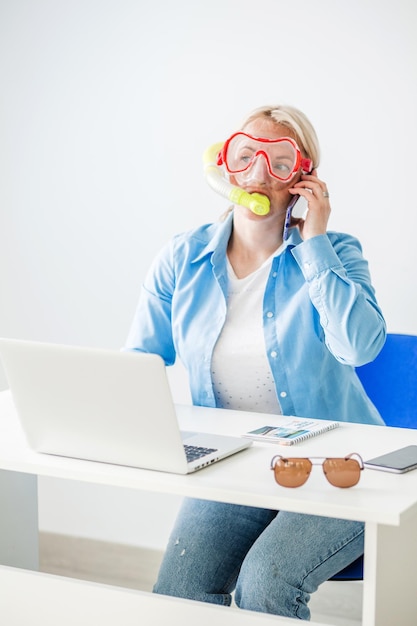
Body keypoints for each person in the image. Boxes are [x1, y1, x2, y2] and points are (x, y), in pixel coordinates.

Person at [124, 104, 386, 620]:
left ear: (302, 178)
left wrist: (314, 244)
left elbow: (359, 348)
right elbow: (139, 366)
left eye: (280, 162)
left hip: (342, 469)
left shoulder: (337, 253)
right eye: (247, 156)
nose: (261, 174)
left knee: (266, 583)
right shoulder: (182, 258)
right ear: (225, 166)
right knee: (180, 587)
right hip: (237, 465)